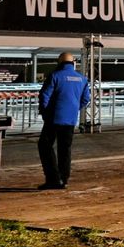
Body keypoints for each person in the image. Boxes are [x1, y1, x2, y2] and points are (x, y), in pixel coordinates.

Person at [37, 52, 90, 190]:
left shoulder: (55, 76)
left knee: (45, 146)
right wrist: (74, 109)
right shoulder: (82, 79)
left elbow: (44, 96)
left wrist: (44, 112)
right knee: (65, 149)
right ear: (73, 63)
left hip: (54, 118)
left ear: (59, 63)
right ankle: (64, 179)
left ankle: (53, 178)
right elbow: (85, 99)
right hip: (70, 119)